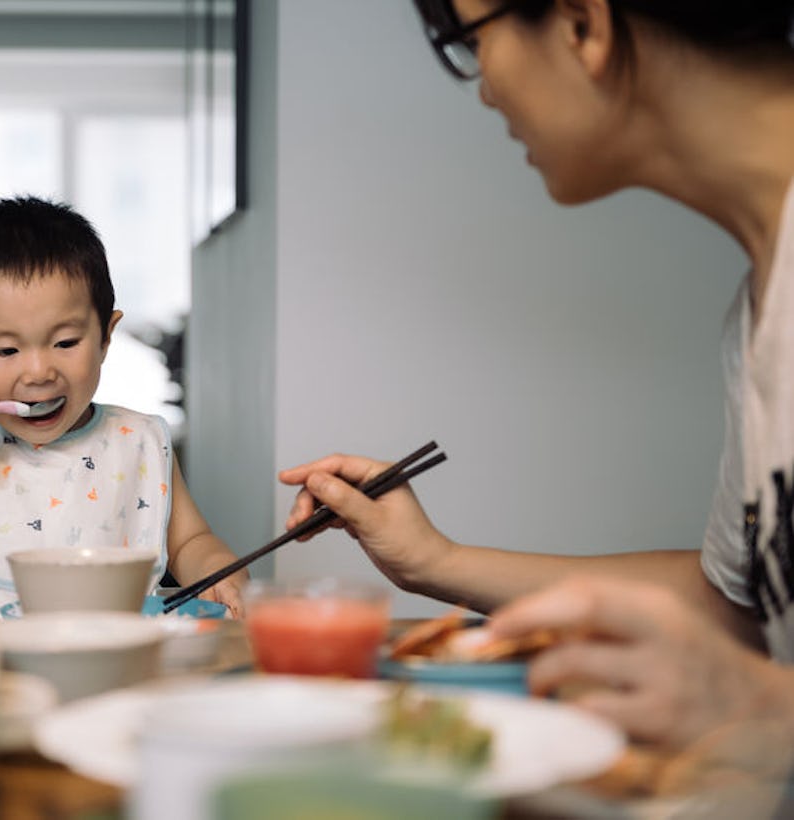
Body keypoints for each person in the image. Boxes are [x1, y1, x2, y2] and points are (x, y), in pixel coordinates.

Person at [280, 0, 794, 754]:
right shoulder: (759, 306)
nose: (483, 87)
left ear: (583, 23)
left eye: (468, 40)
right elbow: (740, 608)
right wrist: (435, 562)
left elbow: (751, 681)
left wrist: (767, 711)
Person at [0, 196, 246, 616]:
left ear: (106, 336)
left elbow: (190, 542)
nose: (38, 371)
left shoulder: (139, 440)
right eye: (7, 350)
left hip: (113, 654)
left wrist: (218, 571)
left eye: (65, 343)